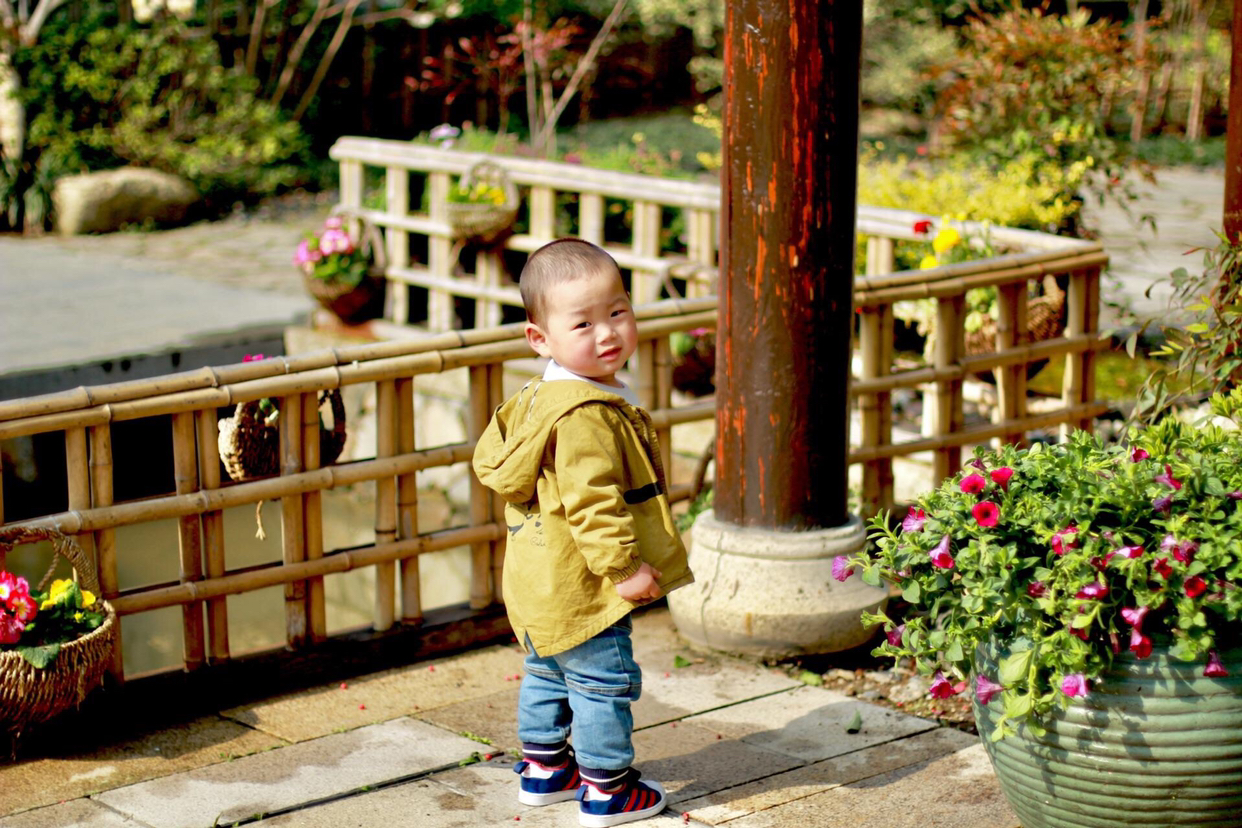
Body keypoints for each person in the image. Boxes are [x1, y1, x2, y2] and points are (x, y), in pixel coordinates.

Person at [473, 238, 694, 827]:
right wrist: (624, 569)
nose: (607, 333)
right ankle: (606, 786)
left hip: (537, 578)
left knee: (548, 669)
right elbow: (593, 503)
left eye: (617, 311)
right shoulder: (586, 415)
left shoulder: (539, 397)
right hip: (584, 581)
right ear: (539, 337)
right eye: (583, 323)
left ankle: (546, 769)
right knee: (602, 682)